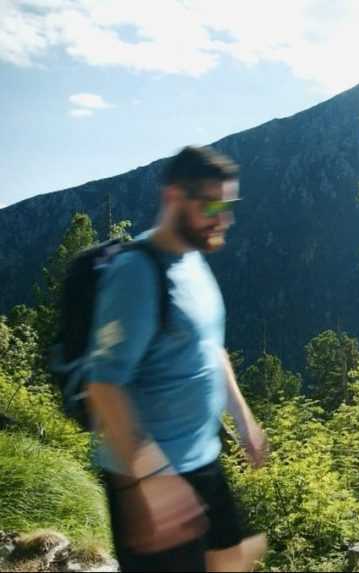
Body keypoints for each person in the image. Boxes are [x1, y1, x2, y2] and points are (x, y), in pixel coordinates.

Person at [84, 146, 267, 572]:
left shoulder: (193, 262)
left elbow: (209, 347)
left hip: (201, 459)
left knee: (234, 560)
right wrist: (152, 481)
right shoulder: (136, 273)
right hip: (150, 477)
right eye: (213, 205)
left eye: (230, 205)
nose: (225, 218)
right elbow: (104, 384)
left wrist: (243, 419)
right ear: (173, 198)